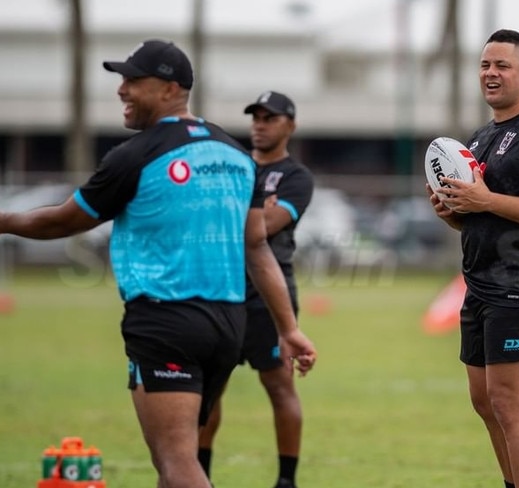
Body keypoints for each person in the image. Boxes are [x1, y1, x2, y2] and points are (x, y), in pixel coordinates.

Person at [0, 39, 317, 488]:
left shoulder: (136, 155)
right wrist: (289, 328)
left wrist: (4, 220)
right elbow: (256, 246)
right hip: (227, 323)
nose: (122, 90)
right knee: (177, 462)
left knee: (176, 463)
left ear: (170, 88)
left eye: (133, 80)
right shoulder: (235, 155)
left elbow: (62, 221)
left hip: (167, 321)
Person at [427, 29, 519, 488]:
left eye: (503, 66)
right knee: (485, 401)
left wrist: (485, 201)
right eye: (485, 65)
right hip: (483, 285)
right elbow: (479, 214)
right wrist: (453, 213)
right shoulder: (481, 137)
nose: (491, 74)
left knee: (511, 403)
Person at [198, 91, 313, 488]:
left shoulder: (298, 177)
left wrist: (248, 214)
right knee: (209, 392)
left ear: (290, 126)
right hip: (223, 292)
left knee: (279, 387)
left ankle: (286, 481)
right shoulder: (234, 168)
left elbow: (263, 229)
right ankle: (199, 477)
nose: (260, 124)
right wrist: (257, 210)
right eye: (256, 117)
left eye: (270, 118)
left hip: (270, 297)